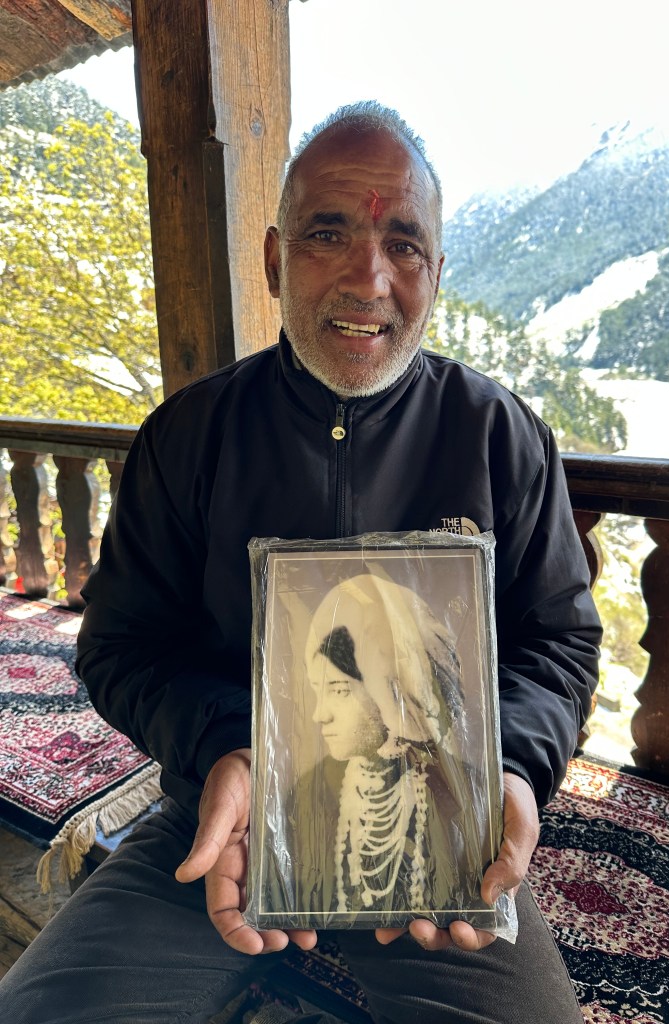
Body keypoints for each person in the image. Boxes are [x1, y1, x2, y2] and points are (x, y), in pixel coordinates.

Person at [0, 101, 601, 1023]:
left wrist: (509, 773)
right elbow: (121, 644)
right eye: (329, 233)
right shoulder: (188, 439)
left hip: (446, 844)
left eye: (403, 244)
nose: (370, 277)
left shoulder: (500, 438)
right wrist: (227, 749)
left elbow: (556, 646)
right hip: (222, 824)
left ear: (435, 273)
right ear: (277, 259)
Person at [251, 572, 497, 931]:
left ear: (389, 687)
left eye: (337, 690)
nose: (320, 714)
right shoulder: (304, 797)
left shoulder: (464, 796)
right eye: (316, 692)